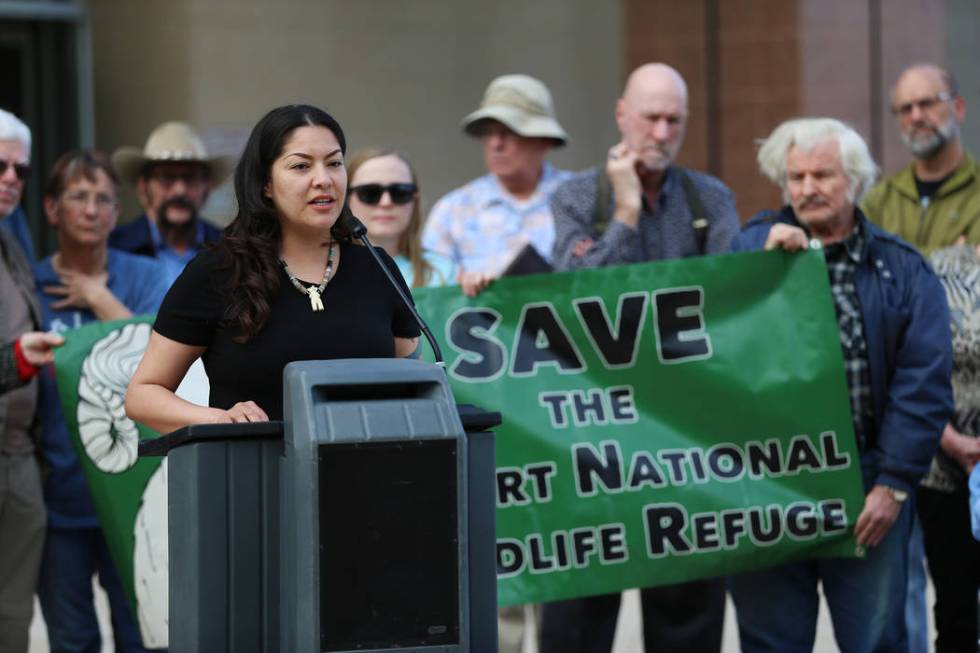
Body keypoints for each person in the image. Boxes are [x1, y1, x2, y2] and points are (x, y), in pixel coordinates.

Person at [728, 117, 953, 653]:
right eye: (797, 177)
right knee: (769, 642)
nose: (807, 189)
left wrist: (895, 482)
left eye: (823, 175)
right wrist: (758, 253)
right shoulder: (751, 251)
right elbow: (705, 331)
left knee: (876, 641)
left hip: (868, 483)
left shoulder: (903, 270)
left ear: (854, 181)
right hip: (768, 485)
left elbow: (922, 384)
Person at [540, 63, 739, 653]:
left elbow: (732, 299)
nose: (661, 130)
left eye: (673, 119)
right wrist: (625, 213)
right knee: (578, 617)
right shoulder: (577, 196)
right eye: (649, 116)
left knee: (689, 617)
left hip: (685, 448)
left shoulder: (711, 198)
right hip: (594, 441)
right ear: (621, 114)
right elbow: (574, 299)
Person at [125, 104, 419, 434]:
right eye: (301, 166)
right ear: (266, 183)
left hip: (369, 474)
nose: (323, 179)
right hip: (256, 475)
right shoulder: (219, 270)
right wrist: (221, 419)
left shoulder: (377, 268)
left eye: (334, 163)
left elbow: (416, 388)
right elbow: (142, 395)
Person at [31, 150, 167, 652]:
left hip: (132, 493)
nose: (91, 210)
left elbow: (160, 360)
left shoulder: (146, 276)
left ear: (117, 212)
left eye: (104, 200)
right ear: (51, 209)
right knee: (71, 639)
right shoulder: (30, 280)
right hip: (56, 500)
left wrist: (96, 296)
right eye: (78, 197)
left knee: (145, 636)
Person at [422, 74, 572, 297]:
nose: (496, 143)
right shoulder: (452, 210)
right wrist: (458, 285)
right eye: (488, 133)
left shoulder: (579, 199)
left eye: (510, 131)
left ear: (544, 139)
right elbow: (430, 300)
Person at [915, 241, 979, 652]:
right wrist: (951, 440)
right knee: (955, 611)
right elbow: (911, 359)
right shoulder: (941, 270)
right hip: (947, 464)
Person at [0, 108, 47, 653]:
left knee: (13, 619)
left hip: (19, 457)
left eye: (21, 170)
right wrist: (16, 359)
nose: (12, 178)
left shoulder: (13, 244)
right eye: (1, 165)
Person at [862, 64, 980, 252]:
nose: (916, 117)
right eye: (906, 109)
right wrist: (953, 257)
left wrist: (892, 256)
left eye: (927, 104)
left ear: (957, 108)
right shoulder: (878, 199)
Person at [109, 121, 235, 285]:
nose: (179, 191)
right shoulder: (113, 248)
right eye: (166, 178)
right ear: (143, 188)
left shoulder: (230, 250)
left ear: (207, 189)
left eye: (191, 178)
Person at [347, 147, 455, 287]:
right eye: (370, 193)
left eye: (400, 192)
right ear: (346, 199)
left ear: (415, 200)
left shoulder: (444, 272)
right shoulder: (325, 270)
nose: (386, 203)